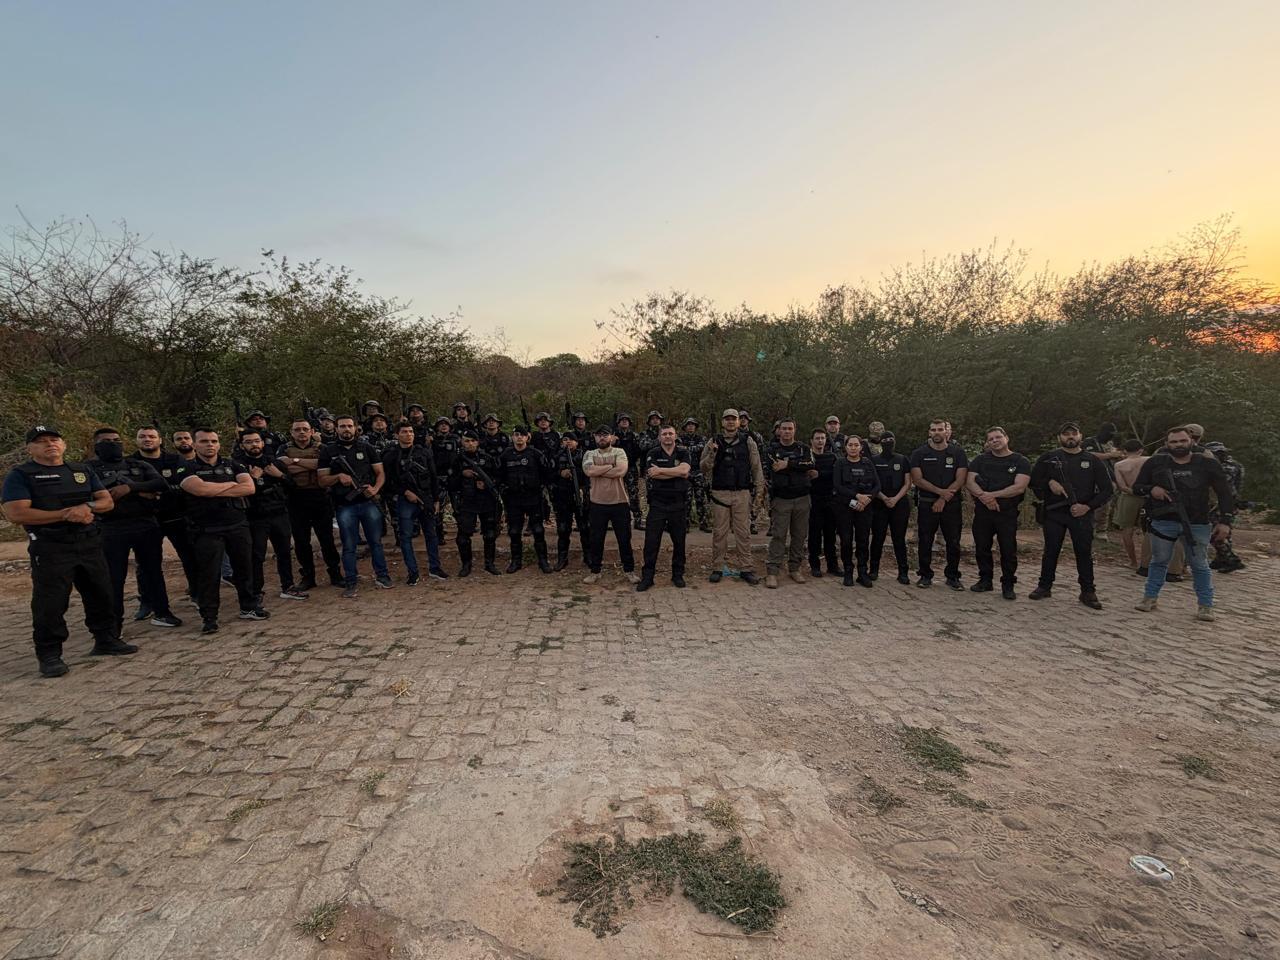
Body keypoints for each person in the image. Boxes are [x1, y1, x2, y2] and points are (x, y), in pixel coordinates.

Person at [2, 426, 135, 677]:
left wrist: (87, 506)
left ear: (63, 445)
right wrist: (64, 514)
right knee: (51, 602)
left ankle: (106, 639)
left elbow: (106, 501)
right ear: (30, 448)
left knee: (101, 593)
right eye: (41, 441)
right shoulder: (22, 475)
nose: (49, 444)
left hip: (89, 543)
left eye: (54, 440)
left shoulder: (81, 470)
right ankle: (50, 654)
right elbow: (16, 513)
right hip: (52, 546)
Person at [1133, 426, 1234, 621]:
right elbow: (1137, 487)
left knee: (1199, 564)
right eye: (1174, 442)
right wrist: (1152, 489)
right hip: (1163, 520)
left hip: (1196, 522)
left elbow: (1224, 493)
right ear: (1166, 444)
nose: (1178, 445)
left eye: (1182, 441)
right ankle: (1150, 598)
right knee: (1159, 560)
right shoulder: (1156, 463)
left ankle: (1205, 605)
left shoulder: (1206, 464)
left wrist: (1225, 521)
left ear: (1192, 442)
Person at [87, 427, 181, 635]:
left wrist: (130, 488)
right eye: (106, 441)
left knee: (153, 572)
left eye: (116, 439)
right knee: (113, 577)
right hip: (110, 528)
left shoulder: (137, 464)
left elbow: (160, 484)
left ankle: (162, 612)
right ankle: (114, 625)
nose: (112, 443)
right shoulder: (88, 468)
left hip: (145, 525)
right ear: (96, 446)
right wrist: (142, 491)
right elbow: (87, 494)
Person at [177, 428, 268, 632]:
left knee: (244, 569)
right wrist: (230, 486)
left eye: (213, 441)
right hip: (206, 529)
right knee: (209, 575)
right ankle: (209, 617)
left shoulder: (232, 464)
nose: (209, 444)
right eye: (204, 441)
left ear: (219, 444)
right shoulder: (186, 468)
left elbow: (249, 488)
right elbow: (198, 490)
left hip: (237, 525)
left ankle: (249, 607)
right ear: (194, 444)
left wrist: (212, 490)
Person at [1028, 421, 1113, 609]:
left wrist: (1088, 507)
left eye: (1074, 433)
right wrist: (1050, 482)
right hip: (1054, 512)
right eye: (1066, 434)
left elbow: (1107, 490)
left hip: (1081, 513)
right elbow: (1033, 481)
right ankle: (1044, 586)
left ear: (1081, 436)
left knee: (1083, 553)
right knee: (1051, 551)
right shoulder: (1049, 458)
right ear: (1059, 438)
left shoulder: (1092, 460)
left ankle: (1088, 591)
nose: (1070, 437)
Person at [318, 415, 391, 598]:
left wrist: (374, 489)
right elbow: (322, 480)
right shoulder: (329, 451)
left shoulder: (366, 448)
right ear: (336, 429)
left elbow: (380, 473)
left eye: (349, 426)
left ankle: (382, 576)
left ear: (356, 428)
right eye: (342, 426)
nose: (346, 429)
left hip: (368, 502)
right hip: (345, 505)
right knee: (349, 545)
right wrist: (338, 478)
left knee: (376, 542)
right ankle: (351, 581)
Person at [130, 425, 199, 607]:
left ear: (160, 440)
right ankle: (148, 602)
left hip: (177, 517)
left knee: (191, 558)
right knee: (146, 564)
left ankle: (197, 593)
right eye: (142, 436)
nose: (147, 439)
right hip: (146, 519)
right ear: (136, 440)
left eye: (152, 436)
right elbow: (127, 490)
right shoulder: (130, 463)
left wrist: (148, 489)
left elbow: (184, 485)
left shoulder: (175, 460)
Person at [238, 428, 307, 603]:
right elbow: (240, 492)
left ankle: (288, 586)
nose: (253, 444)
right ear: (241, 445)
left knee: (284, 552)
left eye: (256, 441)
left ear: (262, 442)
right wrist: (254, 479)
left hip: (279, 513)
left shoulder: (275, 463)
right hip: (256, 516)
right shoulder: (238, 466)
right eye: (248, 441)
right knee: (257, 555)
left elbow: (293, 487)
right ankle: (256, 591)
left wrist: (280, 476)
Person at [700, 409, 765, 585]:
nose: (730, 422)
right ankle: (717, 567)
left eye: (733, 419)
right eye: (727, 419)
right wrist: (712, 453)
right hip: (720, 493)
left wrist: (760, 490)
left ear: (738, 422)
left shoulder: (748, 441)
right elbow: (703, 467)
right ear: (722, 422)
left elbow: (756, 467)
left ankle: (746, 568)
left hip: (742, 493)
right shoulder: (713, 441)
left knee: (743, 533)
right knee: (719, 533)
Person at [965, 426, 1031, 599]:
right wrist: (984, 498)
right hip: (983, 512)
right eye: (991, 439)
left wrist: (991, 495)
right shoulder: (980, 460)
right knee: (982, 547)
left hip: (1007, 513)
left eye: (998, 437)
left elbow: (1019, 487)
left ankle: (1008, 584)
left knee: (1008, 550)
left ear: (1006, 438)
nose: (994, 441)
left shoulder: (1020, 461)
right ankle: (985, 580)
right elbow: (970, 482)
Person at [279, 418, 343, 590]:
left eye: (305, 429)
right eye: (297, 429)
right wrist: (311, 466)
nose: (301, 432)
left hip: (320, 497)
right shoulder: (283, 448)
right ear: (291, 432)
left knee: (327, 539)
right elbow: (282, 469)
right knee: (301, 541)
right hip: (295, 499)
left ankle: (335, 574)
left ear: (312, 431)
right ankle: (308, 576)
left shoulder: (323, 448)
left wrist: (295, 461)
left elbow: (324, 465)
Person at [383, 422, 448, 584]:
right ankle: (413, 572)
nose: (408, 434)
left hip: (426, 498)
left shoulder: (423, 452)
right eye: (404, 432)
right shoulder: (391, 455)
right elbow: (388, 481)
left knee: (431, 535)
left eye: (411, 431)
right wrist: (405, 492)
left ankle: (435, 568)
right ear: (397, 435)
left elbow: (433, 476)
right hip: (405, 500)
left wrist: (436, 499)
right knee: (405, 537)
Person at [909, 419, 969, 589]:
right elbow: (917, 479)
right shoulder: (919, 453)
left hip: (951, 504)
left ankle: (952, 576)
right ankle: (925, 575)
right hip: (927, 504)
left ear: (947, 432)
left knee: (953, 541)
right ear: (929, 432)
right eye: (933, 429)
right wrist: (939, 492)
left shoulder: (957, 453)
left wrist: (943, 498)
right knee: (925, 540)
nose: (937, 432)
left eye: (940, 429)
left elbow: (961, 479)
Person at [582, 424, 639, 584]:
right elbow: (589, 472)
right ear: (594, 437)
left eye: (605, 435)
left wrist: (599, 469)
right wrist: (610, 466)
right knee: (596, 540)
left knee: (624, 539)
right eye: (599, 435)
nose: (602, 437)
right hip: (597, 503)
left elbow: (621, 471)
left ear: (611, 437)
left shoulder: (619, 452)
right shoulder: (589, 453)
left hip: (619, 502)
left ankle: (629, 571)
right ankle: (595, 571)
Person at [763, 418, 816, 588]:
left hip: (802, 498)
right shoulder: (771, 449)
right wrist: (798, 467)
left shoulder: (803, 448)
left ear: (795, 430)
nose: (786, 431)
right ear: (779, 430)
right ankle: (772, 571)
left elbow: (810, 463)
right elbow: (774, 466)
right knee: (778, 535)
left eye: (790, 428)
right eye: (783, 428)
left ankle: (795, 568)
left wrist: (788, 464)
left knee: (799, 535)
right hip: (781, 499)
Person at [637, 424, 691, 590]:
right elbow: (652, 473)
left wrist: (662, 471)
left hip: (678, 503)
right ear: (659, 437)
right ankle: (647, 577)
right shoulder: (652, 453)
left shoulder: (683, 452)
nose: (667, 436)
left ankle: (677, 575)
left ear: (675, 436)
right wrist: (675, 471)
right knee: (651, 542)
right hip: (658, 504)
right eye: (664, 434)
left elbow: (685, 472)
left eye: (670, 433)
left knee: (679, 542)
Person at [496, 425, 553, 573]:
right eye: (516, 434)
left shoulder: (535, 454)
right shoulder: (505, 455)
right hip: (514, 500)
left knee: (538, 530)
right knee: (514, 531)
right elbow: (499, 476)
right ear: (512, 437)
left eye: (522, 434)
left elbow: (546, 474)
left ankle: (543, 561)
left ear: (527, 437)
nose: (519, 437)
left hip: (533, 498)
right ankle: (516, 561)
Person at [451, 429, 502, 576]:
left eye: (473, 441)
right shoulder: (457, 460)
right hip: (466, 502)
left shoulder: (487, 458)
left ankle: (489, 564)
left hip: (486, 501)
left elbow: (498, 478)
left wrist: (487, 484)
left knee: (490, 534)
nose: (470, 444)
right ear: (462, 442)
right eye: (466, 441)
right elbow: (450, 483)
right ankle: (466, 565)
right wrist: (462, 474)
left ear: (478, 442)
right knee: (463, 537)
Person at [833, 435, 881, 586]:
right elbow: (837, 486)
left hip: (864, 508)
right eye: (850, 445)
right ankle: (848, 572)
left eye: (856, 445)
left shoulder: (867, 463)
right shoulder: (840, 463)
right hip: (845, 507)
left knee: (863, 541)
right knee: (846, 541)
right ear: (845, 447)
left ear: (861, 447)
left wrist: (868, 499)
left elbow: (877, 485)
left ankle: (862, 573)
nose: (853, 448)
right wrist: (857, 496)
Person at [870, 430, 913, 584]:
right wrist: (883, 497)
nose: (888, 441)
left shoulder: (902, 459)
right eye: (885, 439)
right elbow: (872, 483)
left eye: (890, 438)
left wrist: (895, 499)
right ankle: (873, 570)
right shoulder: (874, 460)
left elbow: (908, 483)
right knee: (877, 538)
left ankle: (903, 572)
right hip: (879, 503)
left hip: (899, 503)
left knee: (899, 539)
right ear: (880, 442)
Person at [1204, 442, 1246, 573]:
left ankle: (1231, 559)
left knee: (1216, 531)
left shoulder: (1228, 467)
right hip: (1227, 502)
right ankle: (1221, 557)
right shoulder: (1234, 464)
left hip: (1222, 503)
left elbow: (1222, 487)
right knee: (1224, 532)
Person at [550, 431, 590, 571]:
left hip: (580, 496)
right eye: (565, 439)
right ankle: (562, 558)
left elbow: (590, 475)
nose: (568, 442)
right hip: (562, 497)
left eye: (571, 440)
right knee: (563, 529)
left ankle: (588, 556)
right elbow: (548, 474)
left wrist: (584, 490)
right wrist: (560, 473)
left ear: (576, 442)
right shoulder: (556, 456)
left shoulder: (585, 456)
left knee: (585, 528)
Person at [1111, 440, 1149, 572]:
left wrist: (1133, 492)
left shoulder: (1119, 465)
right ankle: (1147, 561)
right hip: (1147, 497)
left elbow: (1122, 486)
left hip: (1128, 498)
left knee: (1127, 530)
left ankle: (1133, 561)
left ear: (1125, 451)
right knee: (1148, 531)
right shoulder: (1149, 460)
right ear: (1141, 450)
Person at [807, 429, 841, 578]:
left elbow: (836, 475)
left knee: (830, 536)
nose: (820, 441)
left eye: (822, 438)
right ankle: (815, 566)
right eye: (817, 438)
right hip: (813, 500)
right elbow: (807, 475)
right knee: (814, 535)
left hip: (830, 499)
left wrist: (820, 474)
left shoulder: (832, 457)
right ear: (811, 440)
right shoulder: (808, 457)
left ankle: (832, 565)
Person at [737, 409, 767, 534]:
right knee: (740, 499)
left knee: (756, 497)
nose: (743, 419)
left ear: (748, 420)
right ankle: (740, 523)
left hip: (753, 470)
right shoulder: (733, 435)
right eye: (741, 417)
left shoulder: (755, 436)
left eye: (745, 417)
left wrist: (763, 472)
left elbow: (762, 454)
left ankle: (753, 523)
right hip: (739, 472)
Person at [678, 418, 711, 532]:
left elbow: (702, 447)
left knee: (700, 498)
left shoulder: (701, 438)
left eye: (693, 425)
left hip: (698, 471)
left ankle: (703, 523)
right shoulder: (680, 438)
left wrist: (687, 449)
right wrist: (689, 450)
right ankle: (685, 523)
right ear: (685, 427)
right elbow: (679, 450)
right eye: (688, 425)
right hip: (685, 472)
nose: (691, 427)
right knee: (686, 499)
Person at [613, 413, 644, 530]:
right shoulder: (613, 436)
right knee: (615, 494)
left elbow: (639, 450)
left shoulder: (635, 435)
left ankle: (637, 520)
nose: (624, 422)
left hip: (631, 467)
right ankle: (616, 521)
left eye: (626, 420)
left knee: (633, 494)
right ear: (618, 423)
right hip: (616, 468)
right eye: (622, 420)